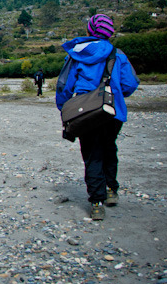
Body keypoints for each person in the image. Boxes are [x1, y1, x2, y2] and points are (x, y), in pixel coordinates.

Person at [55, 14, 139, 220]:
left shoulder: (76, 54)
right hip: (113, 111)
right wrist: (115, 93)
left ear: (89, 30)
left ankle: (96, 203)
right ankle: (111, 190)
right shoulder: (118, 55)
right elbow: (130, 84)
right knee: (109, 148)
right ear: (109, 32)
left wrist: (64, 108)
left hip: (86, 113)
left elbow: (64, 86)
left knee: (92, 154)